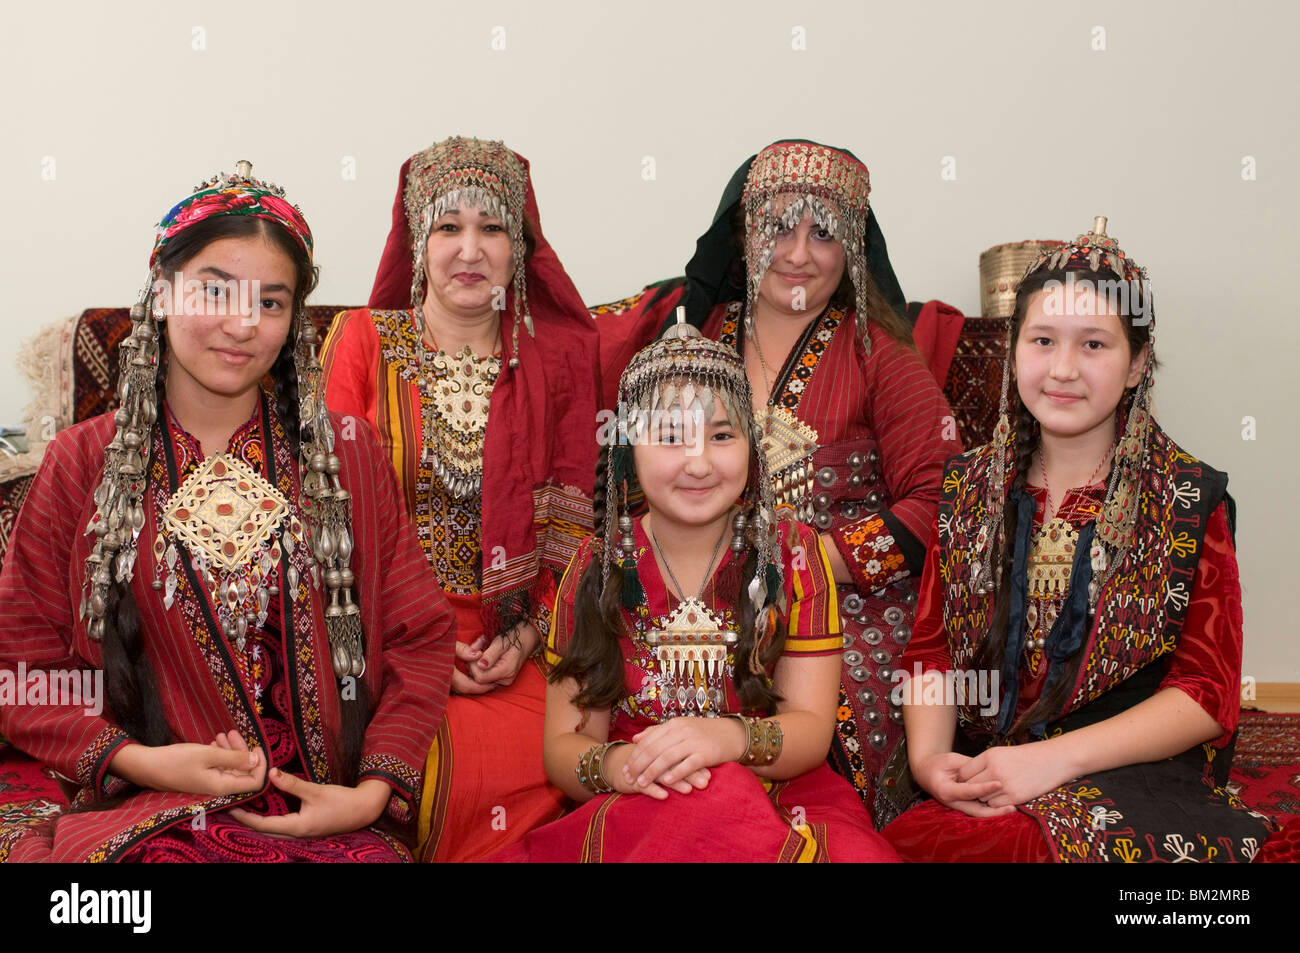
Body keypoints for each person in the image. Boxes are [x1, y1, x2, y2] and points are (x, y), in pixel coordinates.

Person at [0, 163, 455, 862]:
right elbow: (21, 662)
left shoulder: (347, 456)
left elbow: (418, 637)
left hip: (327, 817)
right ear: (161, 292)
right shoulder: (80, 461)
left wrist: (368, 793)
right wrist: (141, 761)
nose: (243, 324)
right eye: (216, 290)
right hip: (152, 814)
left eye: (271, 303)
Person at [885, 219, 1276, 862]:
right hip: (991, 764)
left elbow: (1206, 694)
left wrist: (1051, 762)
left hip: (1124, 766)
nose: (1063, 369)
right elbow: (931, 652)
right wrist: (931, 761)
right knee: (909, 845)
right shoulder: (967, 489)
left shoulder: (1184, 500)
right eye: (1043, 340)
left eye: (1093, 344)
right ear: (1014, 351)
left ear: (1136, 365)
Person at [605, 140, 961, 828]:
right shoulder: (697, 333)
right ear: (744, 235)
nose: (798, 251)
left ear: (852, 248)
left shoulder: (877, 353)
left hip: (845, 605)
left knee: (828, 703)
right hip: (692, 582)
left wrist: (812, 565)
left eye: (823, 231)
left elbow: (943, 497)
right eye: (778, 226)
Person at [495, 316, 900, 862]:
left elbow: (809, 731)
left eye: (721, 435)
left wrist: (727, 740)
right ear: (628, 451)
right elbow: (565, 746)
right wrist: (619, 767)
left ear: (751, 445)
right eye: (669, 437)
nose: (699, 463)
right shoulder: (593, 567)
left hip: (782, 794)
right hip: (645, 794)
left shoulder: (792, 554)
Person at [320, 137, 599, 860]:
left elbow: (575, 528)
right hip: (386, 635)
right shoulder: (364, 341)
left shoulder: (560, 361)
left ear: (520, 247)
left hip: (520, 637)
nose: (469, 249)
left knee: (541, 769)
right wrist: (411, 643)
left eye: (492, 227)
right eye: (448, 227)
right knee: (428, 774)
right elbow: (318, 508)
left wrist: (529, 635)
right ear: (418, 242)